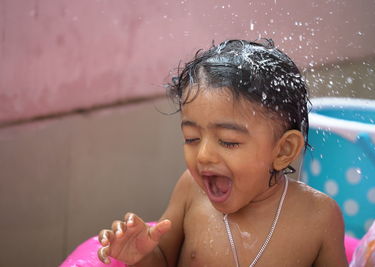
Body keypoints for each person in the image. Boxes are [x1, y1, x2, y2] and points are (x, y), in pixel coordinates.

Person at [97, 39, 348, 266]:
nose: (204, 155)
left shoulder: (318, 217)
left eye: (228, 142)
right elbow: (163, 260)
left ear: (283, 150)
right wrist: (142, 255)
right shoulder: (191, 191)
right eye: (191, 138)